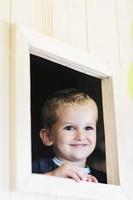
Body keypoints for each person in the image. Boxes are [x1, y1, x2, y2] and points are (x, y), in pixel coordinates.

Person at [32, 88, 107, 183]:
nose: (81, 136)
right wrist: (53, 176)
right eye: (69, 128)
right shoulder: (36, 169)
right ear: (47, 136)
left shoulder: (104, 179)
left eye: (88, 128)